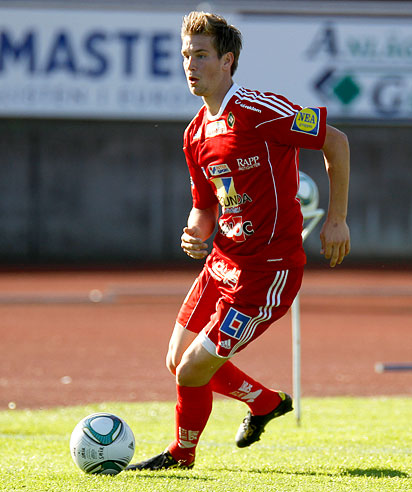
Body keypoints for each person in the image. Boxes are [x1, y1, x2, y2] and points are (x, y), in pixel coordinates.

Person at [127, 11, 350, 471]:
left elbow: (337, 141)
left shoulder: (260, 110)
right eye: (186, 55)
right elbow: (206, 205)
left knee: (191, 368)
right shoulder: (194, 133)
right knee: (176, 361)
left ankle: (181, 456)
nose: (191, 65)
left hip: (266, 273)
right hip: (222, 264)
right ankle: (265, 401)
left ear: (227, 61)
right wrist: (196, 232)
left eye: (202, 55)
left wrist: (337, 219)